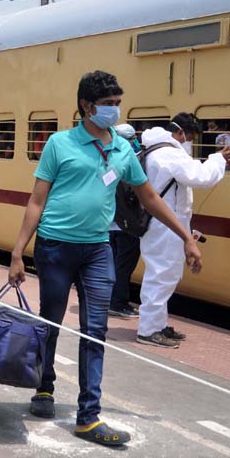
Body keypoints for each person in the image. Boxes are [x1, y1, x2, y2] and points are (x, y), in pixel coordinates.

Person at [7, 71, 202, 447]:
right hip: (56, 247)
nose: (115, 110)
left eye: (117, 103)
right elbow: (36, 200)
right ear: (86, 105)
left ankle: (88, 416)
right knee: (51, 320)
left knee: (95, 330)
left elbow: (149, 198)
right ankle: (44, 386)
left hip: (98, 249)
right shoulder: (59, 144)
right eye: (108, 104)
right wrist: (18, 251)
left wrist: (185, 237)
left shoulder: (122, 150)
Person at [137, 114, 229, 348]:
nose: (189, 142)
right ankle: (148, 330)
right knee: (161, 275)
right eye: (190, 137)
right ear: (180, 133)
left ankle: (157, 324)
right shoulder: (169, 153)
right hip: (165, 224)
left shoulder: (154, 150)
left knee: (164, 274)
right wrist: (217, 159)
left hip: (161, 223)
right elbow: (201, 177)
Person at [107, 123, 142, 318]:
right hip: (125, 225)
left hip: (110, 223)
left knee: (113, 264)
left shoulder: (108, 160)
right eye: (133, 138)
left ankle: (111, 300)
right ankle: (118, 303)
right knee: (124, 266)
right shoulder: (129, 161)